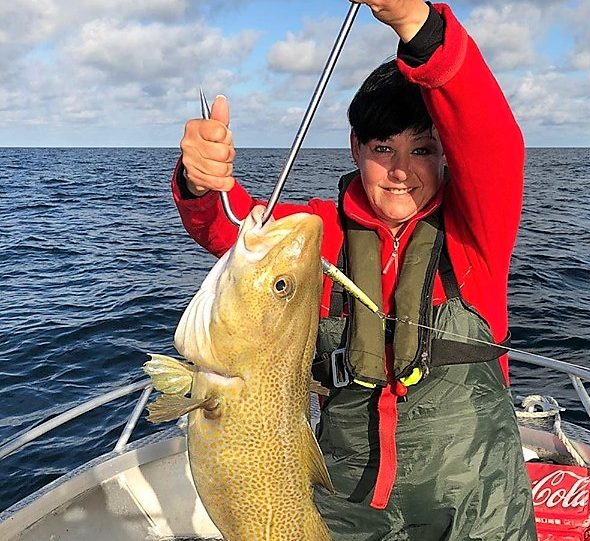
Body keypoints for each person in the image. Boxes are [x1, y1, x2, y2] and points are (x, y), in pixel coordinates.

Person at [173, 1, 537, 539]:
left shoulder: (473, 236)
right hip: (347, 492)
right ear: (355, 148)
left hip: (476, 497)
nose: (399, 171)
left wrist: (418, 26)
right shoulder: (315, 231)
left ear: (445, 155)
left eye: (422, 149)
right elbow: (233, 233)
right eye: (382, 148)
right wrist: (201, 184)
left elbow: (495, 143)